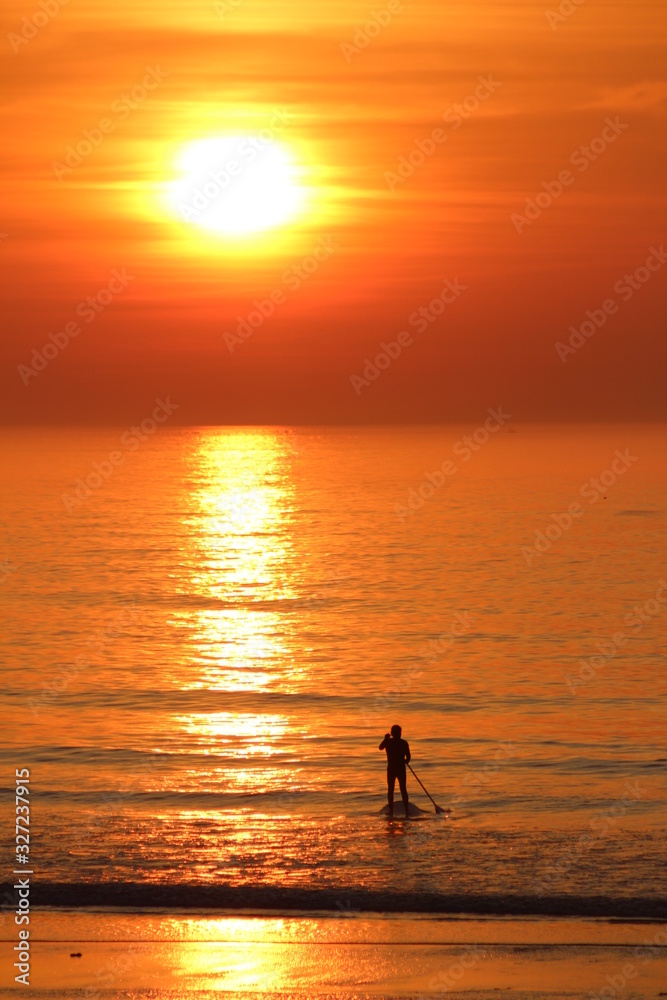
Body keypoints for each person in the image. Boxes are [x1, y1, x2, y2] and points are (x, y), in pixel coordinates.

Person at [379, 724, 411, 818]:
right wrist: (406, 761)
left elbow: (380, 747)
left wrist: (385, 739)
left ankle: (391, 810)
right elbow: (408, 756)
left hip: (392, 768)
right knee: (403, 789)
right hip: (400, 768)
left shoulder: (388, 742)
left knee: (391, 789)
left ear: (392, 733)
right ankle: (406, 810)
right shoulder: (403, 743)